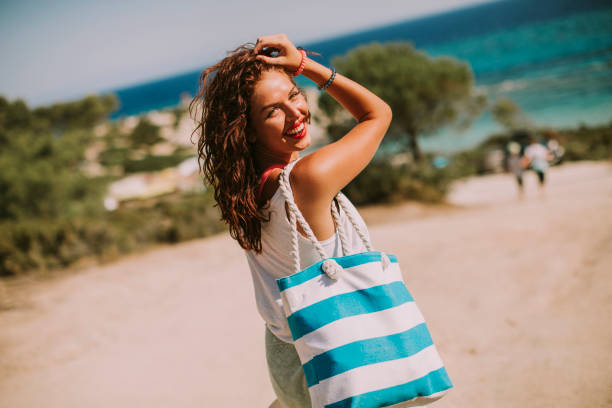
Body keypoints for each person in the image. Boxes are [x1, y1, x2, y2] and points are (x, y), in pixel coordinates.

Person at [189, 34, 392, 407]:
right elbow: (377, 114)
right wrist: (305, 65)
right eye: (272, 111)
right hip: (332, 356)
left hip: (286, 354)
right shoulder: (306, 179)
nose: (296, 113)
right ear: (247, 130)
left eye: (294, 95)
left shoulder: (247, 187)